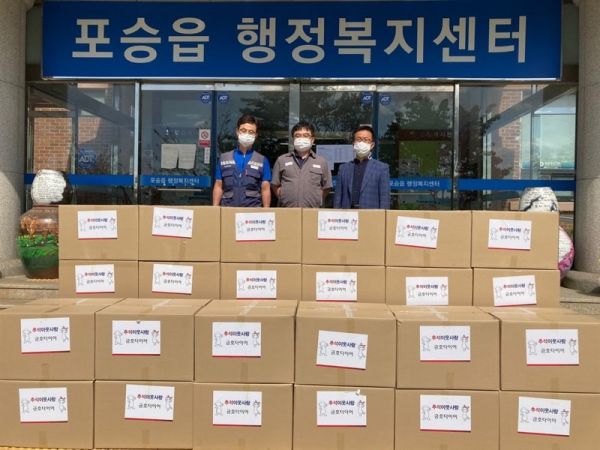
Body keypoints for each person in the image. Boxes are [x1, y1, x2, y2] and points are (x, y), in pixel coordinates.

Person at [212, 114, 271, 207]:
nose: (247, 134)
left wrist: (266, 211)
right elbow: (219, 185)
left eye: (251, 132)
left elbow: (265, 188)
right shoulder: (224, 158)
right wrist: (215, 208)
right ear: (237, 132)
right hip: (228, 210)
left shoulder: (262, 160)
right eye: (243, 130)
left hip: (252, 211)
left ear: (255, 135)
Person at [271, 121, 332, 207]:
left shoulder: (321, 162)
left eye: (306, 135)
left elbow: (327, 187)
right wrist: (283, 197)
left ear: (312, 139)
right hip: (287, 210)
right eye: (297, 135)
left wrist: (318, 199)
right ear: (293, 139)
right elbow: (275, 185)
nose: (301, 138)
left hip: (312, 211)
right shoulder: (282, 160)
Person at [334, 125, 390, 209]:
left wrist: (382, 216)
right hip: (347, 214)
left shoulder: (382, 168)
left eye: (366, 140)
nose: (362, 143)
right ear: (353, 144)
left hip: (370, 214)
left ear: (372, 145)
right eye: (359, 139)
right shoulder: (343, 168)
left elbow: (384, 198)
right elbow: (338, 197)